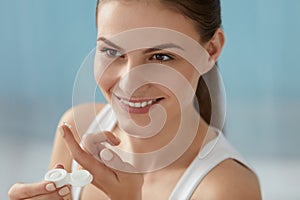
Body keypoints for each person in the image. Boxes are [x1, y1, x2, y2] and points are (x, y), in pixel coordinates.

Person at [8, 0, 262, 199]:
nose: (130, 83)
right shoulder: (76, 128)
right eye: (112, 51)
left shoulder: (226, 188)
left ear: (211, 50)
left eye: (161, 57)